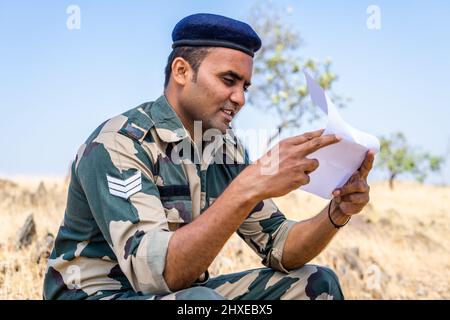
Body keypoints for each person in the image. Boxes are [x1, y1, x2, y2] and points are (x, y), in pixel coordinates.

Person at [43, 13, 374, 300]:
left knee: (316, 283)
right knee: (201, 302)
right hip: (98, 294)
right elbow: (156, 276)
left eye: (245, 86)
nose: (240, 97)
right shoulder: (119, 144)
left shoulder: (224, 149)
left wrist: (336, 212)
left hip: (180, 295)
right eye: (229, 80)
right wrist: (250, 185)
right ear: (182, 71)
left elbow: (280, 246)